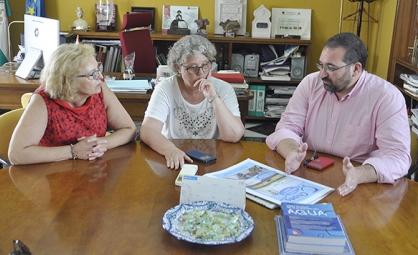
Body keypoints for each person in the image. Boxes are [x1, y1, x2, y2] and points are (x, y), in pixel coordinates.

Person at [266, 32, 411, 196]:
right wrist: (292, 151)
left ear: (356, 69)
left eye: (331, 68)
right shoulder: (311, 83)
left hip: (361, 186)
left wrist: (359, 174)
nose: (322, 74)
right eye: (321, 65)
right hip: (308, 174)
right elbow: (288, 128)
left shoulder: (386, 97)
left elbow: (397, 158)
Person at [9, 43, 136, 165]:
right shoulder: (43, 100)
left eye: (99, 69)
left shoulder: (99, 90)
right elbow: (17, 154)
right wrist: (74, 151)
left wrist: (99, 144)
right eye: (93, 74)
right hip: (50, 174)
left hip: (92, 170)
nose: (101, 77)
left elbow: (129, 130)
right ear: (69, 81)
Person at [140, 35, 244, 169]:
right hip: (175, 158)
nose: (201, 73)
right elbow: (148, 130)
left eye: (205, 65)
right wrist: (169, 150)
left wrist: (214, 98)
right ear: (178, 68)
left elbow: (234, 136)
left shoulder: (224, 89)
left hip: (214, 160)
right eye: (193, 68)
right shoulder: (165, 88)